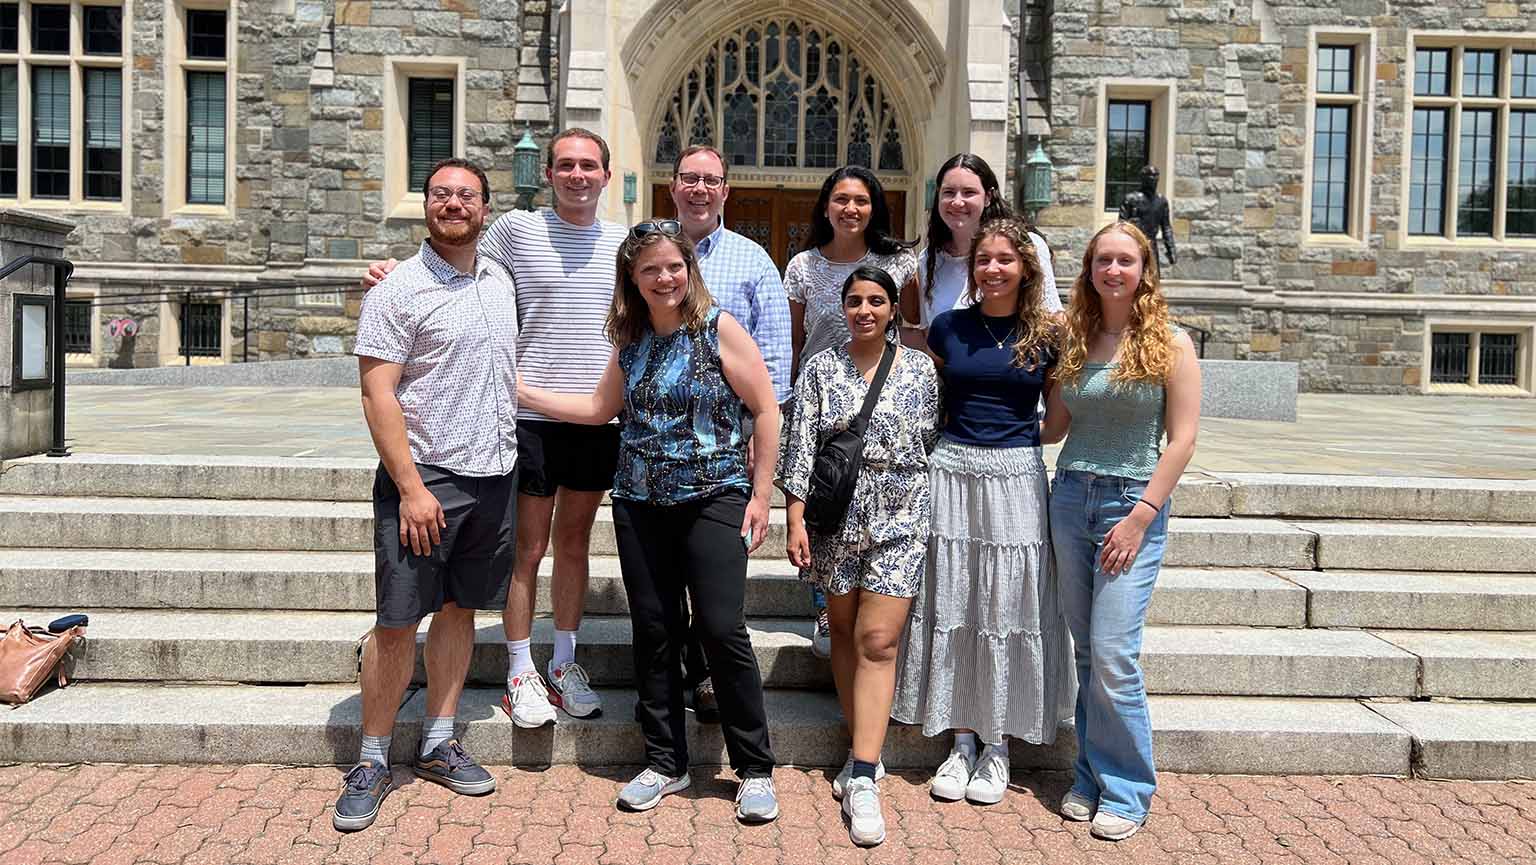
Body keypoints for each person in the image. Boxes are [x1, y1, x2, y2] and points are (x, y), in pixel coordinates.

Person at [517, 221, 782, 823]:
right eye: (650, 271)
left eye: (673, 267)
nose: (665, 279)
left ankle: (755, 767)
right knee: (655, 630)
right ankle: (666, 762)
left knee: (720, 627)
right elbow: (598, 408)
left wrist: (761, 493)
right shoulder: (631, 341)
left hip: (714, 496)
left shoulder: (718, 329)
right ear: (632, 281)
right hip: (639, 503)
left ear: (689, 269)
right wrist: (522, 391)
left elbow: (765, 408)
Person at [364, 128, 626, 728]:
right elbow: (455, 255)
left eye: (589, 165)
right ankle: (519, 669)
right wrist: (388, 272)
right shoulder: (515, 230)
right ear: (549, 174)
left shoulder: (622, 243)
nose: (576, 174)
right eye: (564, 165)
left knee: (576, 545)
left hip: (592, 416)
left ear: (607, 177)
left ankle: (563, 661)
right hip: (524, 419)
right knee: (528, 551)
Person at [336, 157, 514, 832]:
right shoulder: (399, 288)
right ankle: (373, 757)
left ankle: (439, 742)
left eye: (466, 195)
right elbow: (377, 391)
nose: (453, 204)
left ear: (485, 208)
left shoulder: (500, 279)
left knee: (460, 610)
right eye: (441, 194)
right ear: (427, 206)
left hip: (492, 475)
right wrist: (410, 487)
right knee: (396, 619)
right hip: (426, 478)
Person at [892, 216, 1073, 807]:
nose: (992, 269)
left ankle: (998, 746)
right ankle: (962, 740)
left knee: (1006, 602)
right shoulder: (949, 329)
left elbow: (1056, 419)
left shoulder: (1047, 335)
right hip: (951, 472)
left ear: (1026, 268)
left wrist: (1018, 440)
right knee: (956, 598)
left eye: (1004, 259)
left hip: (1016, 477)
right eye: (983, 260)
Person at [1043, 221, 1200, 841]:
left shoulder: (1170, 343)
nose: (1113, 270)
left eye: (1125, 261)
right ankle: (1089, 775)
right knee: (1086, 652)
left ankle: (1130, 788)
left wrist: (1142, 516)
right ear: (1089, 270)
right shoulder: (1076, 338)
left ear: (1143, 271)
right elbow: (1054, 425)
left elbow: (1182, 441)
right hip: (1071, 495)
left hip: (1130, 506)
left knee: (1113, 655)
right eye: (1103, 260)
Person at [779, 266, 940, 846]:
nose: (864, 310)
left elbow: (929, 445)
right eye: (854, 301)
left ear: (894, 308)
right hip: (835, 517)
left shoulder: (919, 368)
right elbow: (801, 445)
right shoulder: (821, 367)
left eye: (876, 300)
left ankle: (867, 775)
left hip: (900, 514)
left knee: (879, 640)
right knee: (843, 632)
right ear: (841, 307)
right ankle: (858, 745)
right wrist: (795, 519)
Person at [667, 144, 792, 723]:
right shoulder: (648, 252)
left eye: (709, 180)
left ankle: (716, 674)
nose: (699, 189)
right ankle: (683, 672)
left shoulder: (753, 261)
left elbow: (772, 365)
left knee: (718, 570)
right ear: (672, 187)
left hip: (728, 448)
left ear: (725, 192)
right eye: (689, 178)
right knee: (672, 574)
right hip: (660, 450)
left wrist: (756, 440)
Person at [785, 165, 919, 661]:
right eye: (840, 199)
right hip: (821, 407)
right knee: (827, 506)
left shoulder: (901, 264)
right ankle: (825, 605)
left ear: (874, 208)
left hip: (882, 411)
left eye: (861, 200)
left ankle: (873, 608)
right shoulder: (802, 267)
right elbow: (794, 343)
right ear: (826, 206)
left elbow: (915, 334)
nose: (850, 209)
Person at [908, 153, 1063, 330]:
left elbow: (1052, 321)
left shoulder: (1029, 245)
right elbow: (928, 333)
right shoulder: (929, 259)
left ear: (988, 197)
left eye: (969, 193)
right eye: (949, 192)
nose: (957, 202)